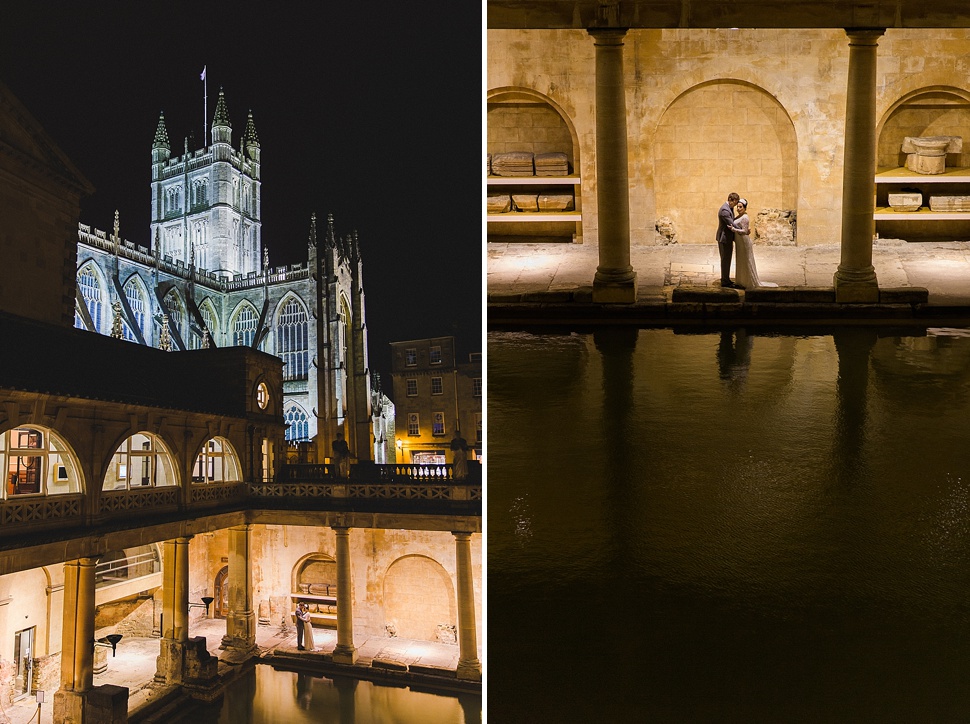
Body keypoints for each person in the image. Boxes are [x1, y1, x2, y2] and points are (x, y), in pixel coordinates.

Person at [733, 198, 778, 289]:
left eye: (740, 207)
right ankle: (741, 280)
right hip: (739, 242)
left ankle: (748, 281)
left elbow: (745, 231)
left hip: (743, 241)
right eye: (737, 207)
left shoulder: (745, 217)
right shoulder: (739, 216)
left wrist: (733, 229)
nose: (738, 209)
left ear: (745, 208)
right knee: (740, 261)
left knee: (746, 261)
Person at [716, 192, 744, 289]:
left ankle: (726, 279)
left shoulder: (729, 208)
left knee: (727, 259)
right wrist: (743, 230)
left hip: (727, 238)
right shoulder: (724, 210)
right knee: (725, 260)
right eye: (735, 203)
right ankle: (725, 281)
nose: (736, 206)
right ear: (731, 200)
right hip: (724, 238)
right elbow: (731, 223)